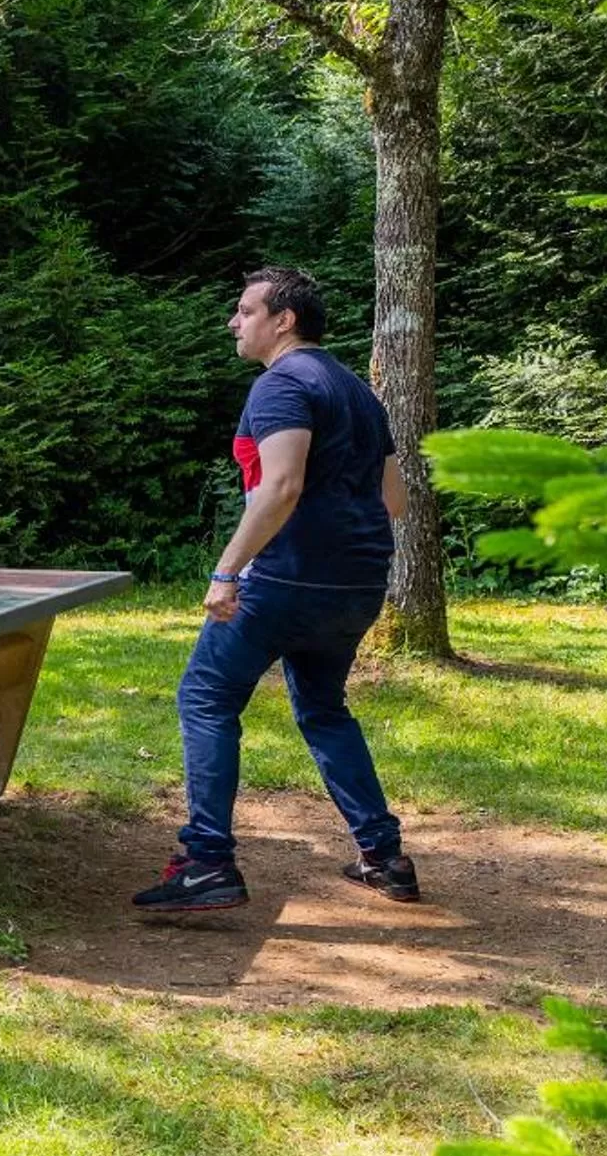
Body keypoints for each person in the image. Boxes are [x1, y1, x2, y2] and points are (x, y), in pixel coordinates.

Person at [133, 266, 417, 914]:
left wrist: (226, 570)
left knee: (205, 697)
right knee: (323, 709)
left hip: (286, 578)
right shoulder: (357, 392)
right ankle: (383, 856)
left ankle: (207, 862)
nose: (233, 322)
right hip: (357, 582)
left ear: (282, 320)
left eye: (245, 311)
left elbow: (281, 485)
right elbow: (394, 502)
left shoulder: (282, 385)